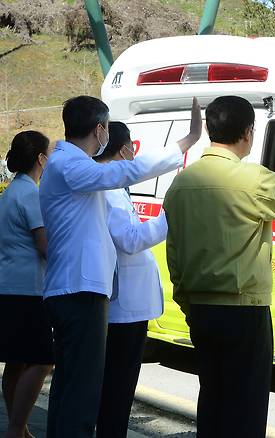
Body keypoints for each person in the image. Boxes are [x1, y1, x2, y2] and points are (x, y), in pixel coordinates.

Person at [164, 95, 275, 438]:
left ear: (208, 129)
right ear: (248, 132)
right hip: (243, 311)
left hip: (200, 309)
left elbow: (175, 254)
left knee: (213, 400)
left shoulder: (181, 183)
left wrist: (187, 303)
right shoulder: (250, 179)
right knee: (245, 408)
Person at [39, 95, 201, 438]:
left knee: (71, 388)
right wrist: (183, 144)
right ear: (99, 130)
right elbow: (125, 170)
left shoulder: (71, 165)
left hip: (78, 289)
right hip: (78, 290)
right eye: (107, 129)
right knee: (81, 392)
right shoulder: (71, 165)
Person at [91, 122, 169, 437]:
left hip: (127, 303)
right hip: (123, 307)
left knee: (118, 386)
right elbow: (130, 239)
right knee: (118, 387)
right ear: (126, 149)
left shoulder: (112, 186)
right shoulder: (110, 189)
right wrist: (168, 218)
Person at [0, 131, 53, 438]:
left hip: (9, 285)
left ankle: (16, 428)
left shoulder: (11, 191)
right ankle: (16, 429)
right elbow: (44, 245)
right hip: (28, 289)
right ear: (40, 159)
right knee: (43, 360)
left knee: (16, 362)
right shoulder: (31, 194)